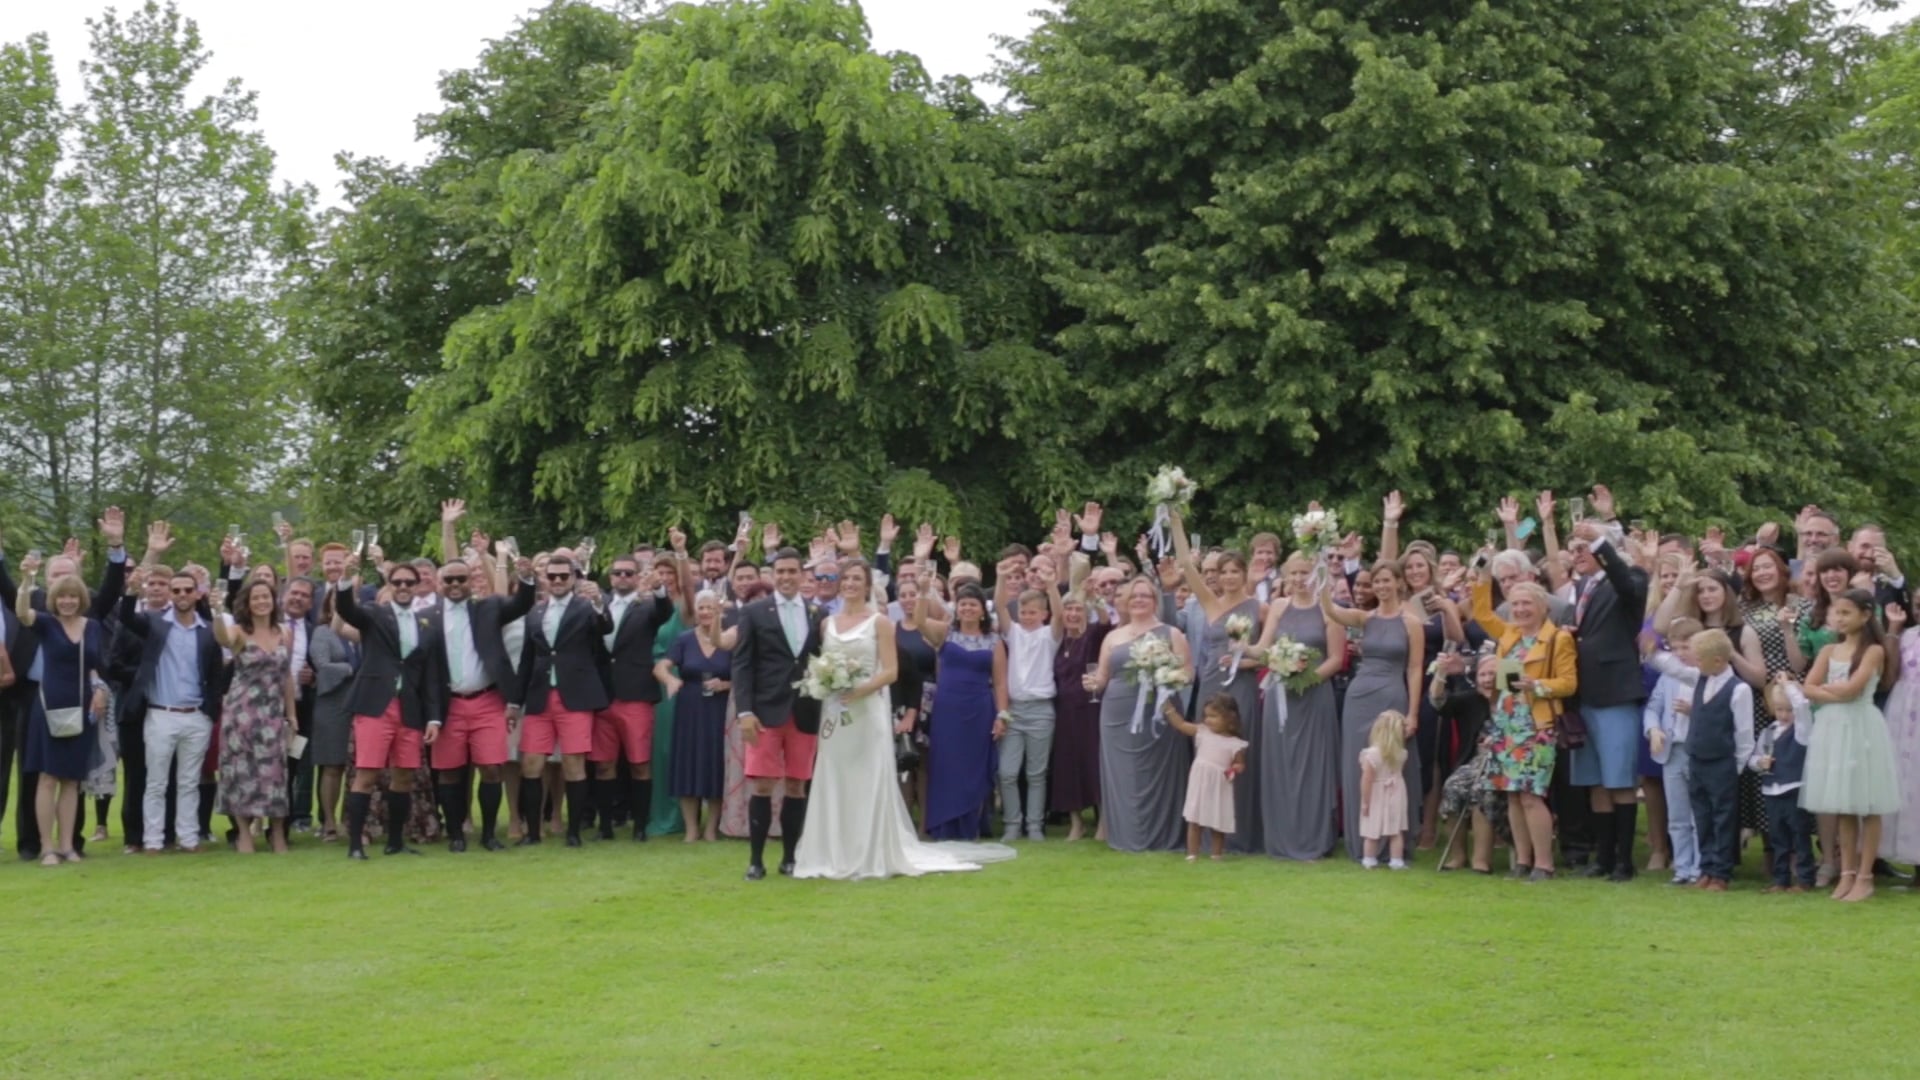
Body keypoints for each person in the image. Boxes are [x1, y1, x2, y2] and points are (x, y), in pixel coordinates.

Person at [794, 558, 1013, 879]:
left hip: (868, 710)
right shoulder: (827, 623)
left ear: (867, 585)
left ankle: (869, 851)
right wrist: (824, 682)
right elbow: (819, 662)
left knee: (868, 777)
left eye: (857, 578)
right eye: (846, 578)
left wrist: (859, 689)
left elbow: (891, 671)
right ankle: (832, 849)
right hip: (835, 711)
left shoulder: (880, 622)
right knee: (835, 775)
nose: (851, 583)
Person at [335, 556, 448, 860]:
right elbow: (346, 610)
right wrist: (345, 581)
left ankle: (395, 841)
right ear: (389, 584)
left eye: (408, 583)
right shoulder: (374, 613)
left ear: (417, 585)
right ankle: (356, 845)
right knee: (367, 775)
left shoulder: (428, 624)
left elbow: (432, 677)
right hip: (375, 705)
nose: (402, 587)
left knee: (404, 776)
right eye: (396, 582)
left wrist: (434, 718)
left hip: (410, 709)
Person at [1468, 578, 1576, 881]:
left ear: (1543, 607)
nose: (1519, 609)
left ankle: (1544, 864)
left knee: (1530, 795)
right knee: (1512, 795)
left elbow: (1568, 683)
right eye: (1515, 604)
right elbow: (1483, 614)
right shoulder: (1509, 635)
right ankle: (1523, 862)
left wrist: (1537, 685)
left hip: (1536, 726)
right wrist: (1480, 577)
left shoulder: (1557, 638)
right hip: (1507, 723)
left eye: (1526, 603)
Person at [1565, 505, 1651, 883]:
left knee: (1619, 780)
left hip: (1615, 693)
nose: (1578, 553)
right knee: (1596, 781)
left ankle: (1623, 861)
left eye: (1585, 547)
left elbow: (1622, 579)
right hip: (1585, 693)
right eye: (1576, 548)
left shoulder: (1629, 578)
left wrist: (1600, 541)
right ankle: (1601, 857)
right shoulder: (1582, 587)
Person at [1167, 510, 1262, 853]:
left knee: (1236, 756)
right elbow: (1187, 567)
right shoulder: (1209, 602)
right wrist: (1176, 524)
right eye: (1224, 571)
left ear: (1245, 573)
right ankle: (1202, 836)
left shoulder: (1259, 608)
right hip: (1212, 684)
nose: (1230, 577)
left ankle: (1239, 836)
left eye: (1236, 571)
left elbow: (1269, 653)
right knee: (1207, 757)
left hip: (1243, 688)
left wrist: (1247, 659)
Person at [1797, 589, 1901, 902]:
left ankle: (1866, 875)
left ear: (1866, 615)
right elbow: (1808, 687)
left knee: (1867, 803)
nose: (1839, 619)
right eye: (1836, 613)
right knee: (1843, 803)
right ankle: (1847, 872)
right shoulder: (1829, 650)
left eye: (1846, 613)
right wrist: (1832, 692)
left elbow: (1855, 690)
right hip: (1833, 727)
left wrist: (1827, 690)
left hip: (1861, 728)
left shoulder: (1873, 652)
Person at [431, 549, 537, 853]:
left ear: (470, 581)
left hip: (487, 700)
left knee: (491, 768)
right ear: (439, 583)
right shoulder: (428, 616)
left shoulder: (488, 608)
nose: (454, 584)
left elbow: (521, 604)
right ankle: (455, 835)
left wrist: (527, 578)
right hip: (448, 704)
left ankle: (489, 835)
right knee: (450, 771)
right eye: (448, 579)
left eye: (460, 579)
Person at [730, 547, 826, 879]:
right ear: (773, 575)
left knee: (797, 785)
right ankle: (756, 860)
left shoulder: (818, 613)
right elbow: (741, 664)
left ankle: (790, 857)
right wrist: (744, 711)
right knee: (763, 785)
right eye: (780, 571)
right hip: (764, 711)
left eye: (792, 571)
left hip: (805, 710)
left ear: (802, 575)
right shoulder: (755, 612)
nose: (786, 577)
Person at [1323, 560, 1425, 860]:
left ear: (1398, 583)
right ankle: (1363, 842)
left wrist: (1413, 712)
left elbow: (1416, 668)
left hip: (1393, 694)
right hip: (1359, 695)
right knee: (1361, 767)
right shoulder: (1365, 618)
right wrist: (1322, 567)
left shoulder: (1411, 622)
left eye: (1385, 581)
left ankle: (1393, 845)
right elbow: (1330, 610)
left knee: (1392, 767)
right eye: (1376, 582)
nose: (1380, 587)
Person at [118, 568, 224, 854]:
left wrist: (209, 712)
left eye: (187, 590)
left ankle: (188, 838)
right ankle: (153, 840)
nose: (181, 595)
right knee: (156, 781)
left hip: (196, 715)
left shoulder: (207, 630)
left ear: (196, 592)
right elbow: (125, 618)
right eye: (176, 590)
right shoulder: (155, 624)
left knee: (189, 782)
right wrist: (131, 590)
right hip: (160, 713)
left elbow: (216, 674)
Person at [1085, 576, 1192, 853]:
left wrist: (1164, 674)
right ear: (1125, 602)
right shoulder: (1113, 636)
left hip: (1159, 711)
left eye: (1145, 595)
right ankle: (1126, 834)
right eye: (1134, 596)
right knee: (1123, 773)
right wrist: (1093, 683)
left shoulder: (1171, 633)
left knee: (1158, 771)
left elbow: (1188, 674)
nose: (1139, 600)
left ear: (1155, 601)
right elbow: (1103, 677)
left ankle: (1162, 835)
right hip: (1116, 713)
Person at [594, 542, 690, 842]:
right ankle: (606, 827)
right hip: (602, 696)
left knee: (640, 763)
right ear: (610, 577)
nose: (622, 577)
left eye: (628, 573)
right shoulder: (598, 604)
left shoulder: (649, 606)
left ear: (637, 577)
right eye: (617, 573)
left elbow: (665, 610)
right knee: (605, 764)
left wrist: (660, 589)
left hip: (636, 694)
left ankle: (639, 827)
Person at [1251, 552, 1344, 860]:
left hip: (1314, 697)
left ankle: (1314, 837)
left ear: (1316, 575)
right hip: (1280, 698)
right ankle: (1282, 837)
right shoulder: (1278, 606)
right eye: (1294, 573)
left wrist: (1304, 678)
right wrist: (1241, 645)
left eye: (1305, 572)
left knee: (1313, 766)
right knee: (1282, 764)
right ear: (1286, 576)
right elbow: (1263, 649)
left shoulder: (1328, 610)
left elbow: (1336, 658)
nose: (1299, 579)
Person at [1648, 629, 1754, 893]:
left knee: (1722, 818)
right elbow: (1675, 669)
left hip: (1722, 763)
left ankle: (1721, 872)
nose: (1692, 662)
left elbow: (1744, 735)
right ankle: (1704, 869)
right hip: (1697, 760)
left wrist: (1736, 767)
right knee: (1702, 815)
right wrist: (1652, 651)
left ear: (1717, 660)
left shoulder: (1738, 690)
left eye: (1697, 658)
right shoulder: (1699, 679)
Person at [14, 568, 108, 865]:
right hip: (49, 705)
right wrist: (27, 580)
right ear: (55, 599)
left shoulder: (92, 626)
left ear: (81, 599)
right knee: (47, 778)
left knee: (71, 780)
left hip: (82, 708)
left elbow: (95, 665)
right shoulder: (45, 623)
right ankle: (46, 847)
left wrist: (99, 689)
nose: (68, 601)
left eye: (73, 596)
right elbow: (21, 612)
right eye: (63, 596)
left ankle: (67, 845)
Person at [517, 554, 612, 847]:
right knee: (531, 764)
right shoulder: (536, 611)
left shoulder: (586, 607)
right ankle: (533, 833)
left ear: (573, 578)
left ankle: (573, 833)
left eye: (563, 576)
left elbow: (604, 627)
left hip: (576, 696)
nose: (557, 581)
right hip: (539, 696)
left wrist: (598, 603)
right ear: (545, 577)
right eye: (552, 576)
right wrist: (513, 702)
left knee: (574, 764)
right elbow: (527, 659)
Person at [209, 579, 295, 854]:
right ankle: (244, 833)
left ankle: (278, 832)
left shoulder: (284, 632)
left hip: (272, 711)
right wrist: (215, 610)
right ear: (247, 603)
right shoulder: (237, 632)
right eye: (255, 598)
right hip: (242, 712)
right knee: (241, 773)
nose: (261, 602)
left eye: (265, 596)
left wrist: (291, 714)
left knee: (275, 774)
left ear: (273, 600)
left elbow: (287, 676)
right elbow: (222, 638)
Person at [923, 583, 1002, 841]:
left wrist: (1003, 715)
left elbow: (1000, 682)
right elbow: (919, 620)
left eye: (973, 604)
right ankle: (943, 827)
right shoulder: (945, 633)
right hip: (948, 710)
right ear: (957, 608)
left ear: (982, 611)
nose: (967, 608)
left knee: (975, 769)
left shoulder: (994, 641)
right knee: (946, 766)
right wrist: (924, 591)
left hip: (979, 709)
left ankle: (972, 827)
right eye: (963, 604)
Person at [992, 560, 1064, 842]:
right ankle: (1012, 823)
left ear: (1043, 614)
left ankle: (1034, 825)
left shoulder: (1050, 636)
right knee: (1007, 772)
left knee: (1036, 773)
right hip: (1014, 709)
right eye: (1023, 612)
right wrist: (1000, 578)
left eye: (1033, 612)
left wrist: (1050, 586)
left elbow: (1060, 615)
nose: (1027, 616)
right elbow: (1000, 607)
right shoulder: (1014, 633)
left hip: (1041, 711)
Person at [658, 589, 731, 842]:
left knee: (715, 765)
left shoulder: (729, 639)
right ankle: (691, 828)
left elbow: (744, 674)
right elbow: (661, 666)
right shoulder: (684, 639)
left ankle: (711, 828)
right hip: (689, 708)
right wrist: (670, 679)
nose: (706, 612)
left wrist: (727, 685)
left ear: (719, 611)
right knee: (688, 765)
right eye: (702, 607)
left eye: (711, 607)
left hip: (719, 709)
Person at [1642, 619, 1704, 886]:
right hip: (1672, 751)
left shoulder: (1706, 674)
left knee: (1698, 814)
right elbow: (1653, 707)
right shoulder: (1668, 677)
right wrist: (1653, 729)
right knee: (1677, 815)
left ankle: (1701, 868)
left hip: (1698, 750)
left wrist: (1695, 712)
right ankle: (1682, 868)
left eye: (1686, 647)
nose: (1680, 653)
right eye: (1676, 647)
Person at [1049, 586, 1110, 842]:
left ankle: (1104, 822)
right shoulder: (1058, 640)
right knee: (1067, 766)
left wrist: (1094, 598)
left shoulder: (1092, 635)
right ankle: (1076, 823)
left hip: (1091, 709)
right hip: (1064, 712)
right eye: (1069, 609)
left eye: (1078, 609)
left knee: (1093, 764)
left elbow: (1106, 621)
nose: (1073, 614)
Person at [1161, 693, 1247, 862]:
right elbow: (1181, 725)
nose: (1208, 720)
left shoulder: (1236, 743)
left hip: (1219, 785)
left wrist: (1236, 769)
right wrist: (1168, 708)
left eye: (1213, 716)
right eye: (1206, 716)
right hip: (1200, 782)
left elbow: (1240, 764)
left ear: (1230, 718)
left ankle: (1216, 854)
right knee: (1194, 819)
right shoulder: (1202, 731)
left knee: (1218, 820)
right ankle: (1192, 854)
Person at [1754, 679, 1817, 893]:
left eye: (1788, 709)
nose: (1784, 714)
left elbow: (1802, 707)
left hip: (1793, 788)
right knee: (1778, 837)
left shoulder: (1802, 731)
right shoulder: (1768, 731)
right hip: (1771, 790)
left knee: (1799, 834)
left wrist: (1788, 686)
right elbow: (1753, 759)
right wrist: (1759, 763)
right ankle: (1780, 879)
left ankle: (1805, 878)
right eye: (1779, 709)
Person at [307, 586, 357, 843]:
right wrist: (354, 668)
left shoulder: (362, 630)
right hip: (333, 704)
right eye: (338, 599)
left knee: (360, 767)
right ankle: (328, 822)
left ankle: (354, 821)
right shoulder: (322, 632)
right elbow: (323, 667)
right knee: (332, 766)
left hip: (361, 703)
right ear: (328, 604)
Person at [1878, 598, 1920, 865]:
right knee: (1906, 784)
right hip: (1903, 715)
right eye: (1917, 604)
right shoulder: (1908, 636)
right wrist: (1893, 629)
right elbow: (1890, 675)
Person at [1358, 710, 1411, 870]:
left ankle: (1369, 859)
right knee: (1396, 830)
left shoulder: (1371, 754)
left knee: (1371, 830)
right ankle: (1396, 861)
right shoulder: (1401, 754)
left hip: (1376, 793)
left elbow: (1367, 780)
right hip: (1396, 791)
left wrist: (1365, 802)